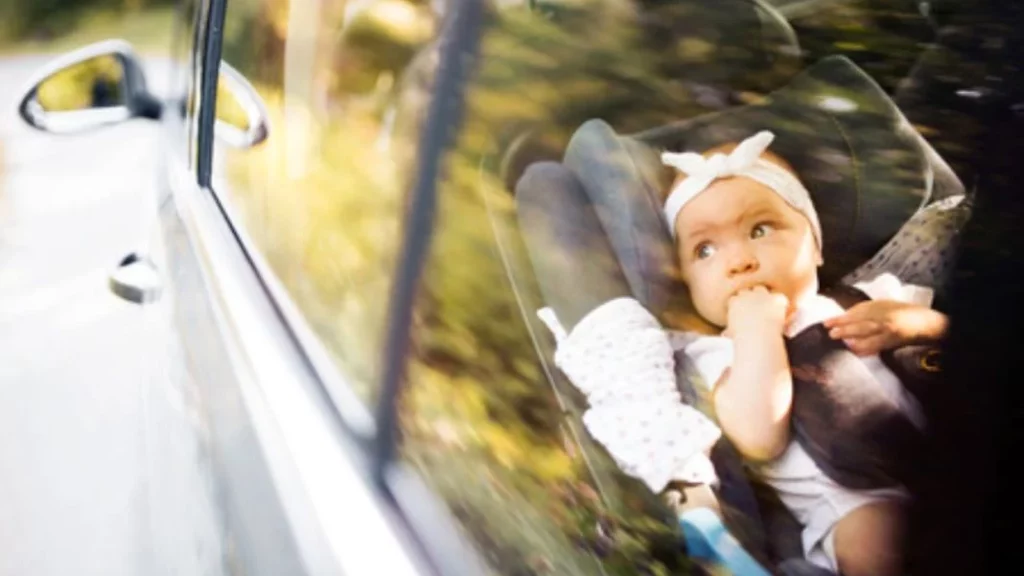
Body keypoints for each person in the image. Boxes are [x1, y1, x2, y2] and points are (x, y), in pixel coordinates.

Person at [537, 130, 949, 575]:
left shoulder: (872, 295)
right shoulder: (713, 354)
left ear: (814, 247)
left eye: (760, 229)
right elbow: (759, 437)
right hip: (854, 500)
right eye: (706, 250)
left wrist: (919, 323)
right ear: (690, 285)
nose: (739, 261)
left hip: (946, 460)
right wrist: (757, 329)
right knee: (877, 535)